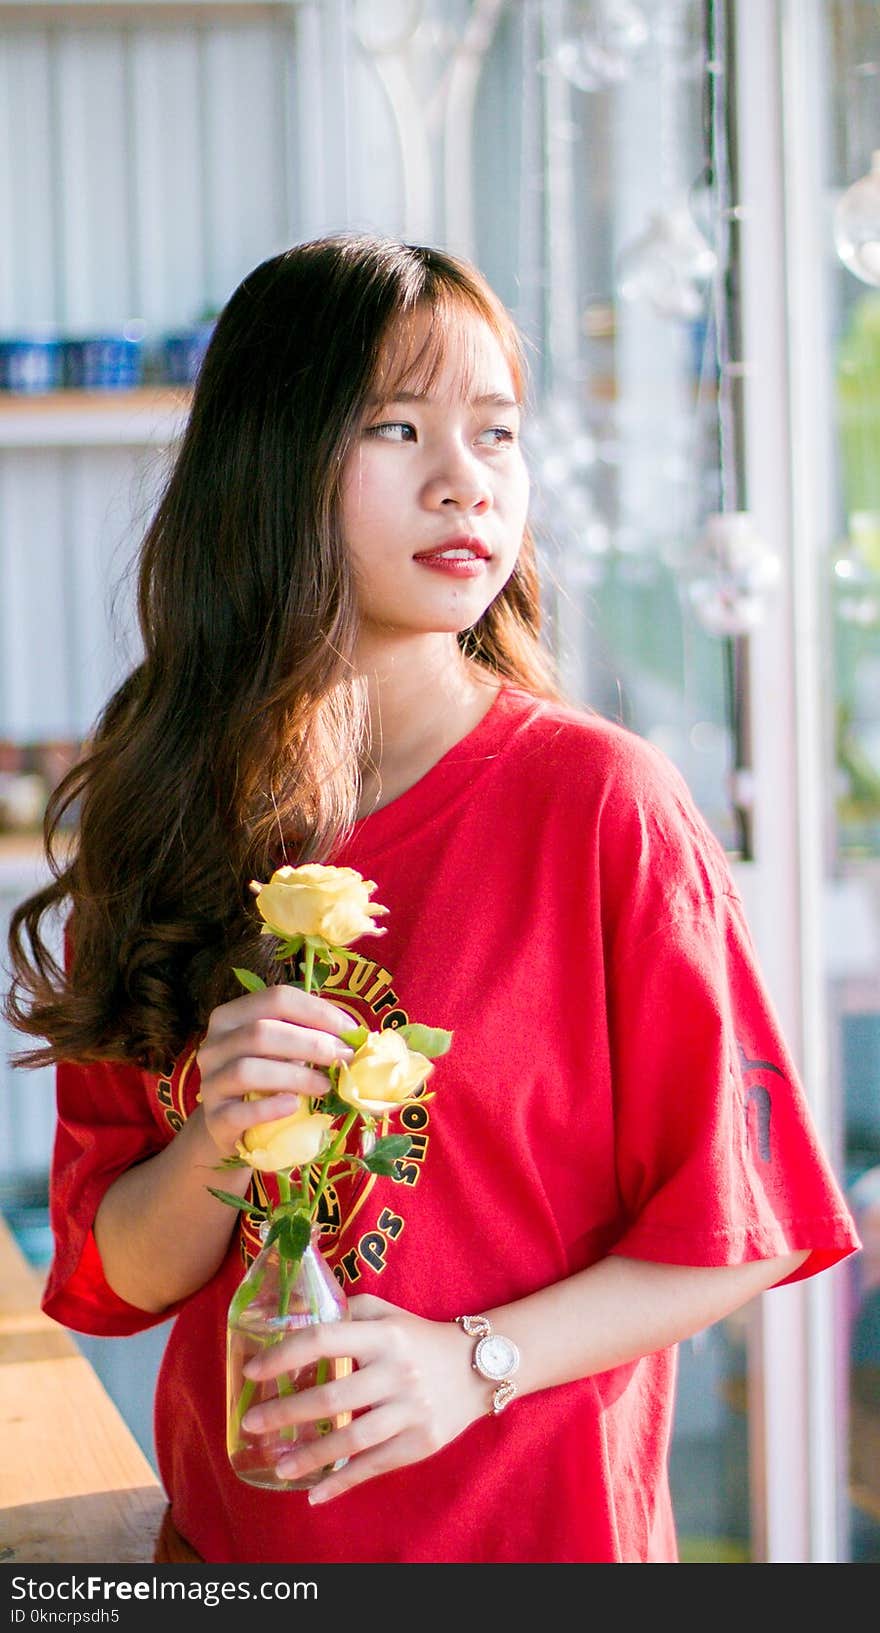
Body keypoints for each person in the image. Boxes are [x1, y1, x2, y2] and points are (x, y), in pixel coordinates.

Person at [4, 231, 861, 1567]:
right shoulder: (164, 819)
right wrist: (220, 1145)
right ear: (271, 465)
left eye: (499, 433)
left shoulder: (603, 806)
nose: (467, 480)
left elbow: (741, 1230)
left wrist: (473, 1362)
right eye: (399, 428)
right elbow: (117, 1274)